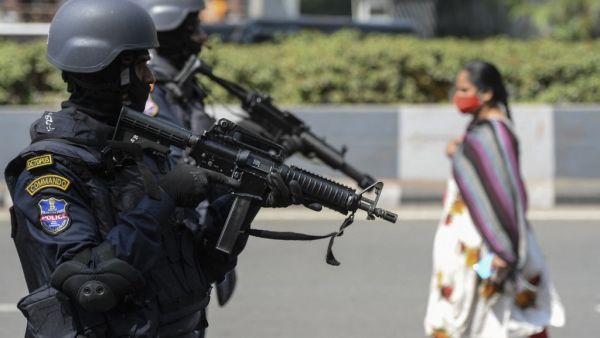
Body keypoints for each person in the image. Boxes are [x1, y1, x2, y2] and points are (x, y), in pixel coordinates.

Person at [4, 0, 302, 336]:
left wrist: (245, 196)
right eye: (140, 65)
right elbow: (94, 286)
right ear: (107, 71)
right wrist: (164, 196)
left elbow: (204, 264)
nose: (149, 78)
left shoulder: (140, 148)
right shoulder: (49, 170)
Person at [424, 60, 565, 338]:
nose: (458, 95)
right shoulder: (482, 130)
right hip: (473, 244)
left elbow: (504, 195)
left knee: (498, 318)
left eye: (464, 89)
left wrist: (501, 249)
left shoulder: (494, 134)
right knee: (476, 318)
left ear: (486, 93)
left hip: (489, 246)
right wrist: (459, 150)